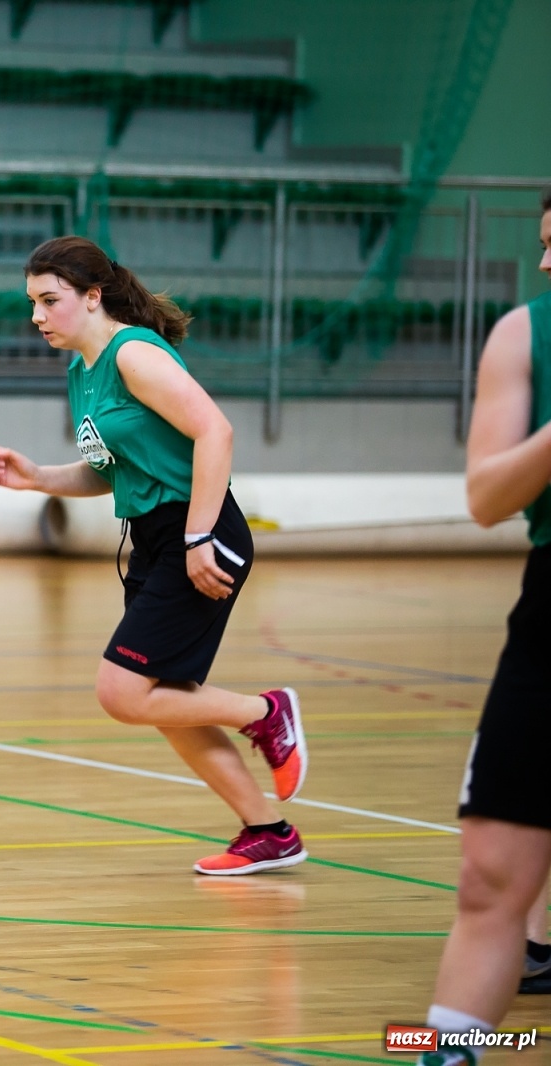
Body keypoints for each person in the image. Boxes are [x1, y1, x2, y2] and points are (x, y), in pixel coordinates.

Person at [0, 235, 306, 876]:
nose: (38, 317)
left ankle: (266, 712)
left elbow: (216, 431)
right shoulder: (84, 368)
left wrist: (197, 537)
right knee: (168, 699)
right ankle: (268, 831)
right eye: (32, 304)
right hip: (156, 538)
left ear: (93, 297)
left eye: (50, 301)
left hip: (198, 533)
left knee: (123, 691)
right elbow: (114, 469)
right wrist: (40, 477)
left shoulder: (132, 353)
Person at [417, 186, 551, 1066]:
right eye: (544, 242)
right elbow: (484, 496)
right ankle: (441, 1051)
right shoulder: (523, 331)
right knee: (490, 874)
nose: (544, 261)